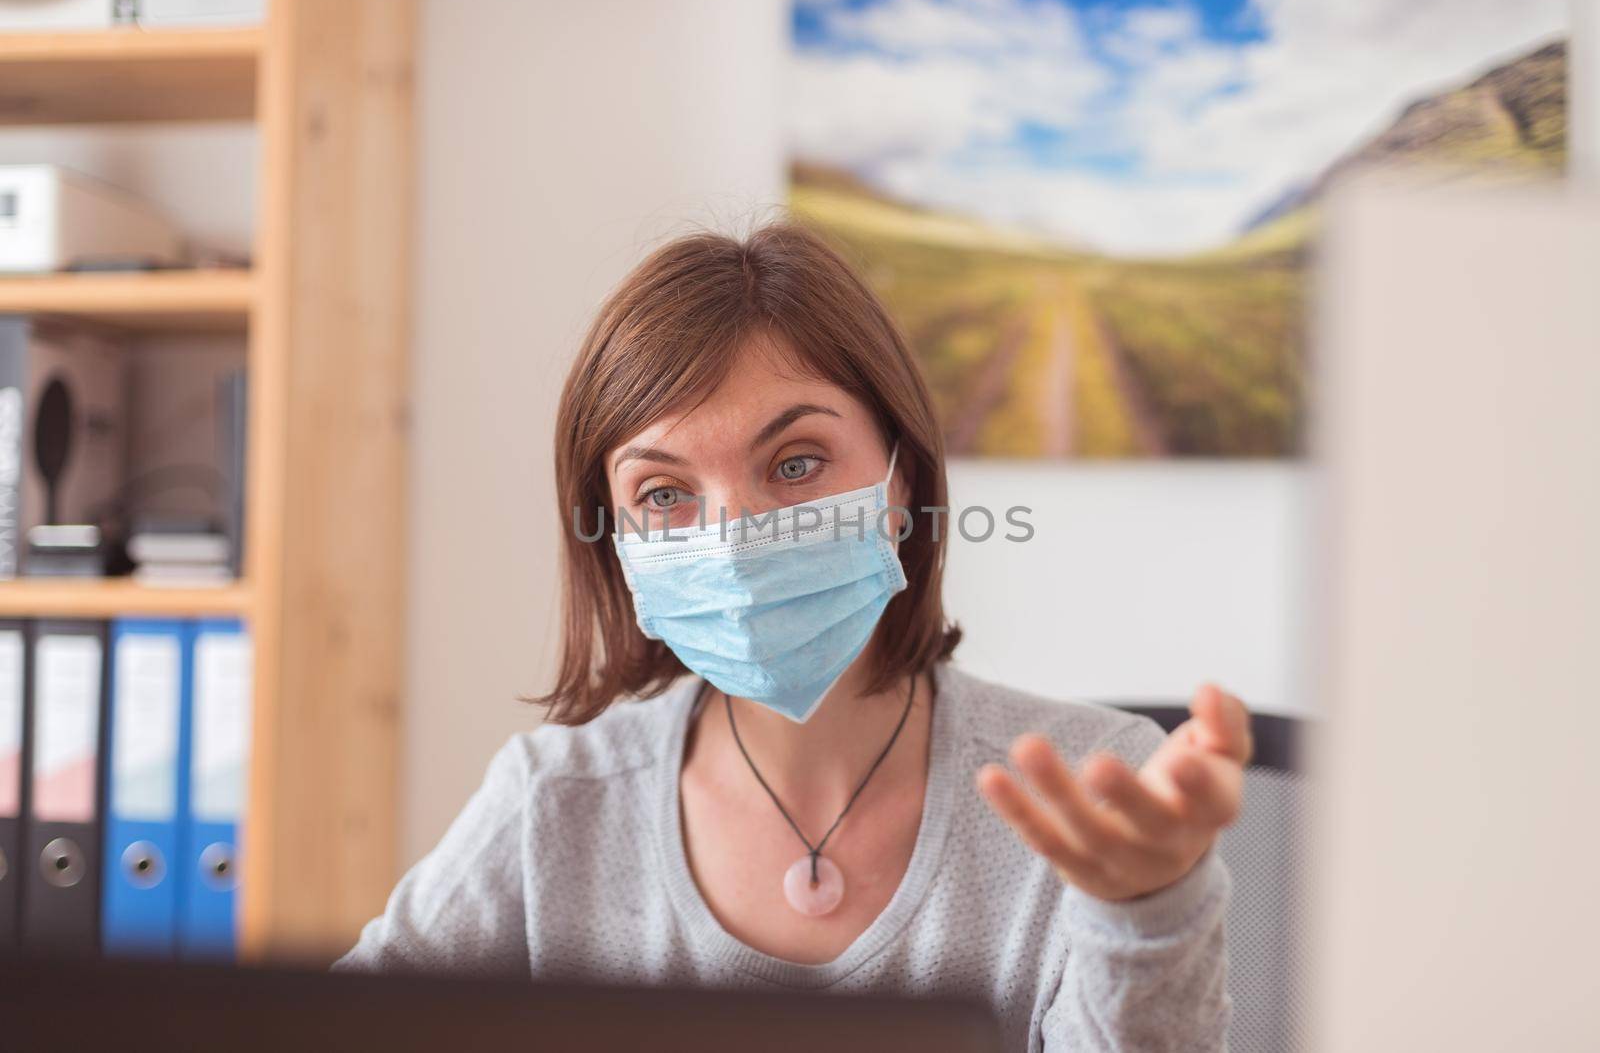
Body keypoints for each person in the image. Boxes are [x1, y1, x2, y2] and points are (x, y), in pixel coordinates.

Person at [336, 221, 1251, 1051]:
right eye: (664, 494)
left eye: (797, 463)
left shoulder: (1097, 795)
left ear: (900, 484)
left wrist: (1146, 911)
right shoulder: (553, 805)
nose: (734, 537)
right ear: (614, 540)